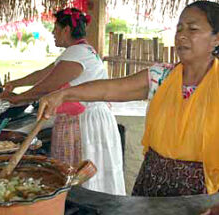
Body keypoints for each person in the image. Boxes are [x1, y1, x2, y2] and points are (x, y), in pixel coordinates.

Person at [37, 1, 219, 197]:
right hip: (152, 182)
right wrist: (63, 94)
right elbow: (109, 89)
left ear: (216, 39)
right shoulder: (162, 77)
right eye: (179, 28)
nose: (181, 35)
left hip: (202, 193)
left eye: (192, 29)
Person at [2, 8, 126, 195]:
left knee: (79, 181)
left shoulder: (77, 53)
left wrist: (17, 98)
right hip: (93, 119)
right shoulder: (81, 51)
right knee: (92, 179)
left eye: (55, 28)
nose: (53, 33)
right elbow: (44, 74)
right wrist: (15, 84)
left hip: (84, 124)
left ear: (66, 30)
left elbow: (47, 86)